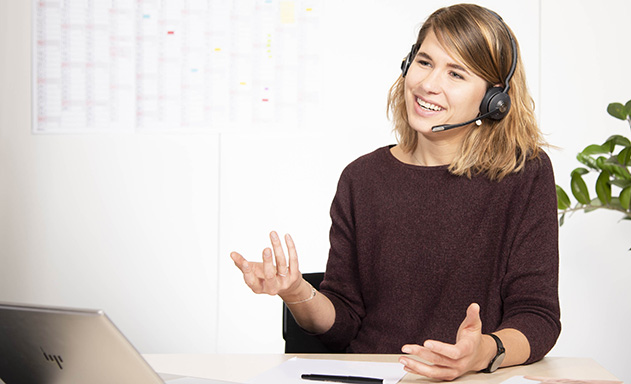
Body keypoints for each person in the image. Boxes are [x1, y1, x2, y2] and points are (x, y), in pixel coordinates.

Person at [230, 3, 560, 381]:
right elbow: (344, 321)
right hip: (374, 377)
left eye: (456, 73)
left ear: (493, 99)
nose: (428, 84)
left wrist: (482, 351)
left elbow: (538, 316)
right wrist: (295, 291)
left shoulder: (522, 175)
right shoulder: (362, 179)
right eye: (424, 62)